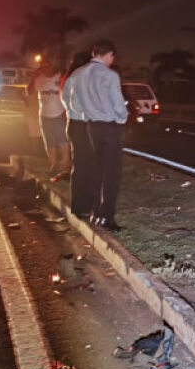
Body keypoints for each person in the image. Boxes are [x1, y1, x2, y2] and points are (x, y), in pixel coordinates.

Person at [70, 39, 128, 232]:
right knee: (111, 174)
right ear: (108, 54)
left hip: (91, 126)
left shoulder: (78, 74)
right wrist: (122, 120)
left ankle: (95, 211)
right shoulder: (110, 75)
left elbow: (74, 105)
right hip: (110, 126)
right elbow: (118, 104)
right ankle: (107, 216)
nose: (112, 61)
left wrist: (87, 114)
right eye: (112, 57)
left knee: (96, 171)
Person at [61, 52, 94, 217]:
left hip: (75, 124)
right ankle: (82, 206)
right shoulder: (79, 78)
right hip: (81, 125)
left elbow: (68, 102)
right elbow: (76, 104)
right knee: (83, 166)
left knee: (83, 165)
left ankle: (82, 205)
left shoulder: (71, 78)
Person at [27, 58, 71, 180]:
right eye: (44, 67)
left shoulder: (60, 77)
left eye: (48, 66)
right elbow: (29, 92)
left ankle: (65, 164)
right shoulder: (39, 80)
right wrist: (33, 78)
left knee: (63, 139)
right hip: (44, 115)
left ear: (52, 66)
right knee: (49, 141)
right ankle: (54, 164)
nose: (47, 69)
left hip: (59, 113)